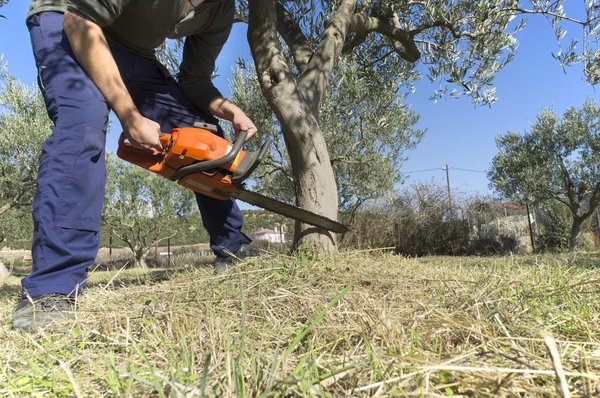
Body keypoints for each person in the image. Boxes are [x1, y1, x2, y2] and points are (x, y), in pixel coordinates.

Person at [13, 0, 257, 332]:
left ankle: (233, 245)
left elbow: (195, 79)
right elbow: (79, 21)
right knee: (83, 124)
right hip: (68, 20)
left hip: (135, 54)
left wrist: (225, 108)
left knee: (203, 131)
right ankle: (51, 289)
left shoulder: (220, 10)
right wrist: (129, 115)